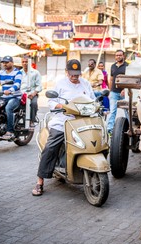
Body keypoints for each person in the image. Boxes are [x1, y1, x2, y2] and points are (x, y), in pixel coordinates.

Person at [32, 59, 95, 196]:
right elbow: (51, 101)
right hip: (63, 121)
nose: (74, 77)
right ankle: (39, 182)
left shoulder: (85, 84)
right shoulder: (60, 84)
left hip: (82, 122)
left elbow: (92, 100)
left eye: (77, 74)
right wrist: (61, 106)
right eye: (72, 74)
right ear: (67, 72)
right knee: (51, 147)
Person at [107, 49, 128, 134]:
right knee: (112, 111)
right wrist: (110, 91)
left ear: (123, 56)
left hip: (124, 92)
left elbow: (129, 79)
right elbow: (111, 79)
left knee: (127, 111)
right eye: (117, 55)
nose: (118, 57)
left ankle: (129, 128)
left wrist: (125, 89)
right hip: (114, 92)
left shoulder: (128, 66)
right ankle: (110, 129)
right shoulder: (113, 66)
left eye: (120, 55)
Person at [20, 56, 42, 125]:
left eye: (26, 62)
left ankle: (32, 120)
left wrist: (33, 94)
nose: (25, 63)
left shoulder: (35, 72)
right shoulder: (19, 73)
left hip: (32, 93)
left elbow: (39, 86)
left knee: (34, 104)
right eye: (23, 62)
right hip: (21, 93)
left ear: (30, 62)